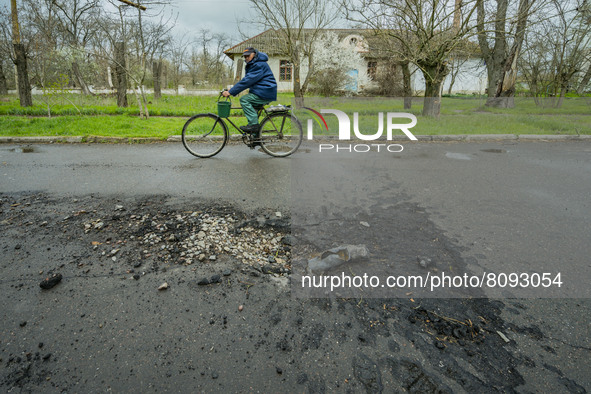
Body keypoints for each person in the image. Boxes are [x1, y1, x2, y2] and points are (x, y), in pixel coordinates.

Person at [222, 47, 277, 139]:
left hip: (265, 91)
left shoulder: (258, 64)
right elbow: (248, 80)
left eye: (248, 56)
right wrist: (231, 90)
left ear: (254, 54)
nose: (246, 58)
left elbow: (247, 81)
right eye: (245, 56)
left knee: (244, 100)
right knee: (253, 111)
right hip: (263, 91)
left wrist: (230, 92)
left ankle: (254, 126)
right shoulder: (255, 63)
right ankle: (255, 137)